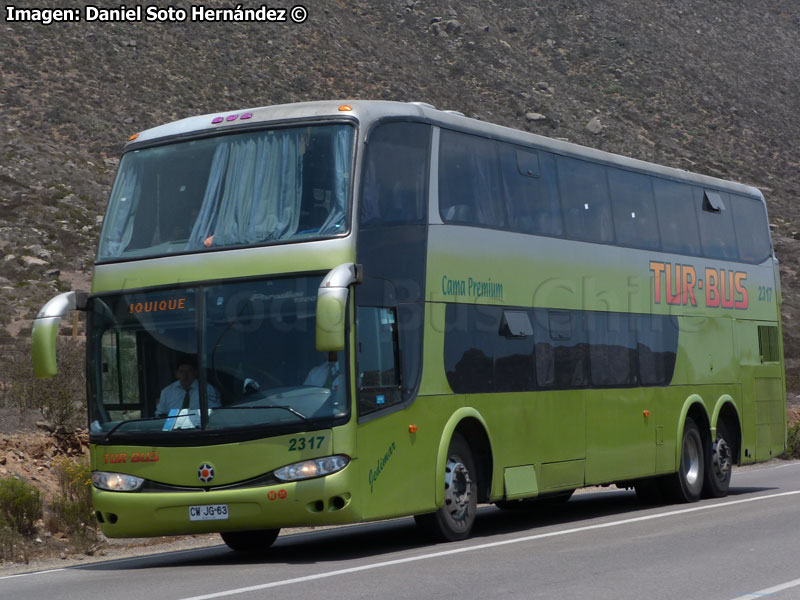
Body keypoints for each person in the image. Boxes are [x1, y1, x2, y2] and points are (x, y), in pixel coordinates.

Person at [156, 358, 220, 417]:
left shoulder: (207, 389)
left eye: (189, 371)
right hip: (174, 428)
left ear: (195, 372)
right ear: (177, 374)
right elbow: (160, 414)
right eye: (181, 371)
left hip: (199, 427)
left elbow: (215, 411)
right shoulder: (167, 391)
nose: (185, 375)